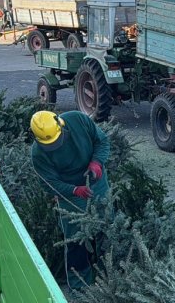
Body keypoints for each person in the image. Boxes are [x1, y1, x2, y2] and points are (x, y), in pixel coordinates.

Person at [28, 110, 110, 291]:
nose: (55, 146)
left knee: (107, 231)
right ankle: (80, 285)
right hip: (71, 195)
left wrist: (96, 162)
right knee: (76, 241)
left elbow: (102, 141)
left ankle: (109, 276)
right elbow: (49, 183)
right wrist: (74, 190)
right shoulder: (38, 154)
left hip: (98, 184)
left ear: (61, 125)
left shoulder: (78, 120)